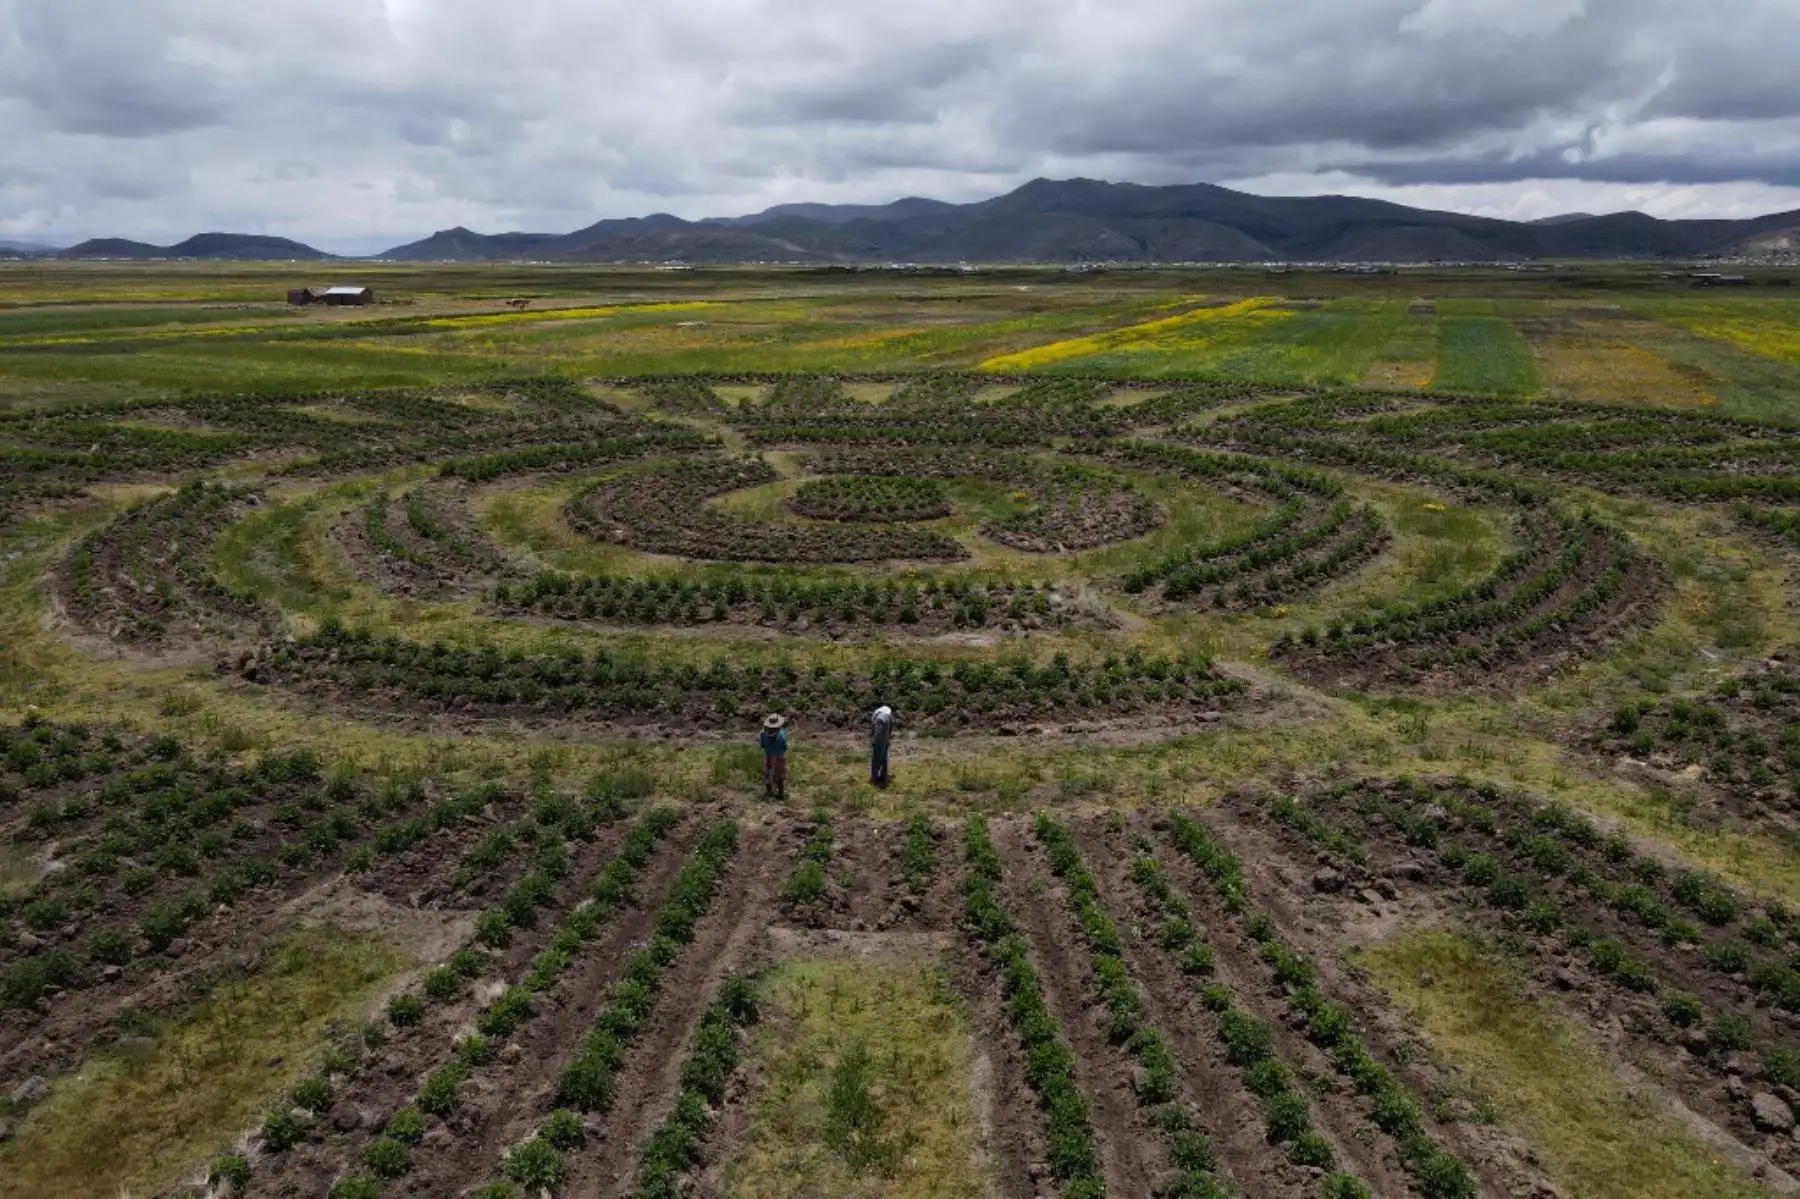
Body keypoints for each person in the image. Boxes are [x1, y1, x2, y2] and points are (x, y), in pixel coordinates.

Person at [759, 713, 788, 801]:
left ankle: (769, 793)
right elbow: (785, 747)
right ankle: (780, 794)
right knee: (780, 774)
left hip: (768, 756)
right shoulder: (782, 735)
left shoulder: (763, 735)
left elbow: (762, 745)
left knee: (768, 772)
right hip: (779, 756)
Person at [869, 703, 893, 787]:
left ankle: (875, 778)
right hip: (885, 735)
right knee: (884, 757)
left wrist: (874, 741)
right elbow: (890, 730)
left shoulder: (877, 717)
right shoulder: (889, 715)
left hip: (880, 731)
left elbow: (875, 731)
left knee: (876, 756)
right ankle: (883, 776)